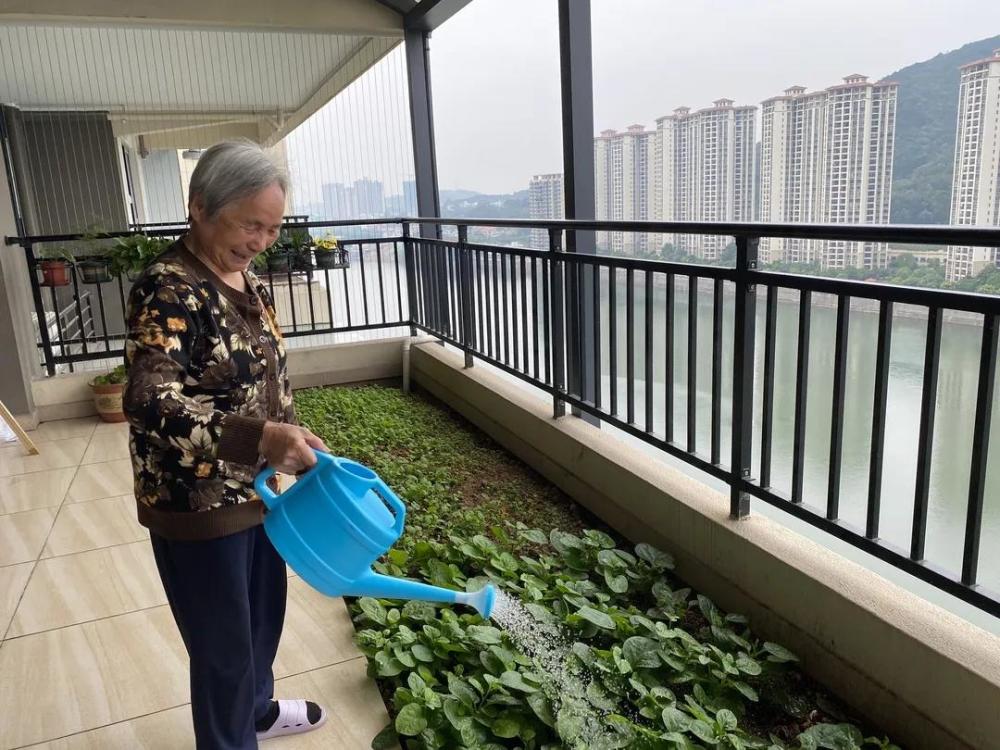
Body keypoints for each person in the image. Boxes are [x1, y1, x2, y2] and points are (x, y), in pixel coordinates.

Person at [123, 140, 329, 749]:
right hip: (198, 503)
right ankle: (230, 739)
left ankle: (257, 713)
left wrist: (285, 432)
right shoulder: (168, 287)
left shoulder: (242, 271)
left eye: (272, 227)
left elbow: (254, 374)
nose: (261, 239)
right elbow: (148, 399)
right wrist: (260, 436)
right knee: (223, 650)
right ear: (199, 207)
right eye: (249, 225)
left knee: (262, 622)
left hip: (257, 491)